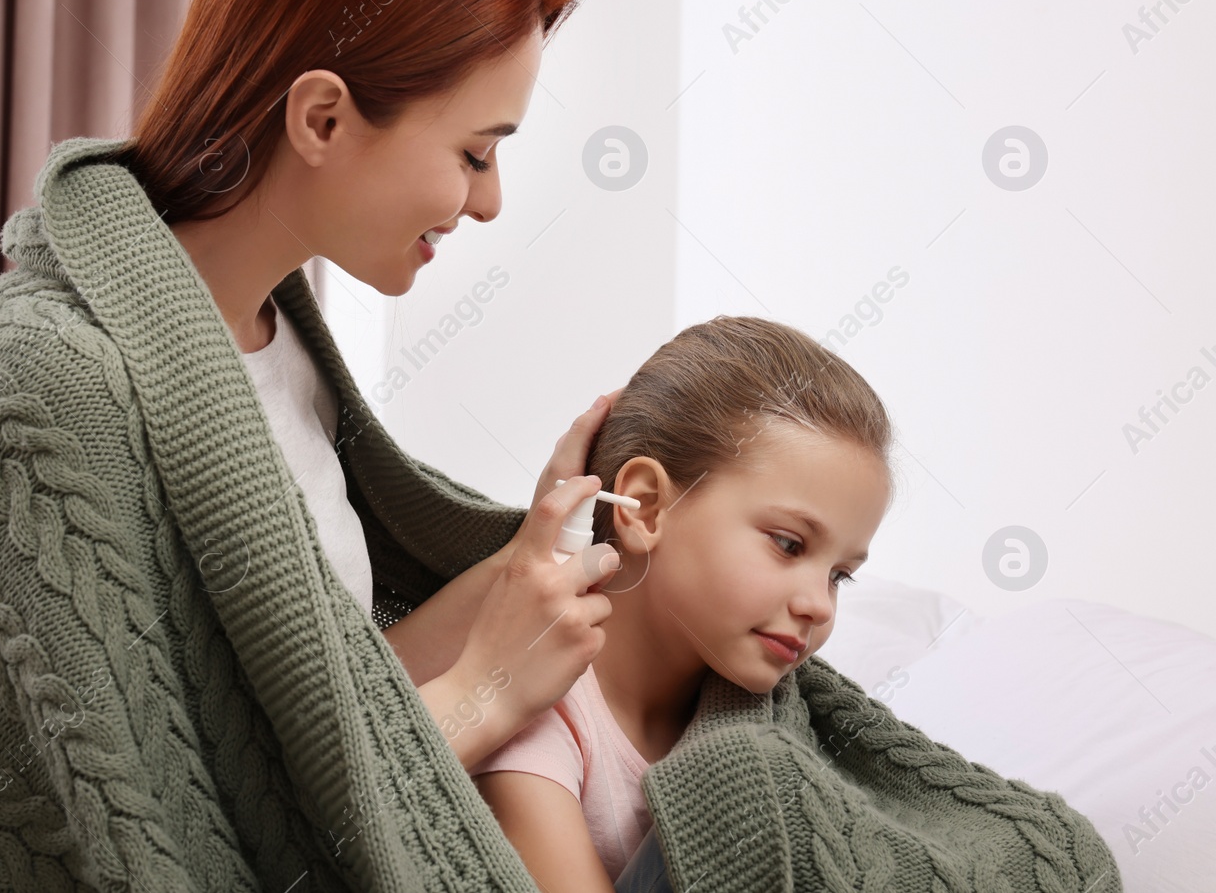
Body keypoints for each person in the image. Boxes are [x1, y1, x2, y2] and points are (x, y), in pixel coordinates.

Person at [0, 0, 634, 892]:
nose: (489, 201)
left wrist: (541, 548)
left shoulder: (280, 345)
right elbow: (191, 837)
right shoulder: (43, 383)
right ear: (321, 118)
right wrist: (489, 691)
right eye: (475, 150)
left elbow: (309, 723)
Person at [471, 316, 1123, 893]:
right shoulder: (540, 710)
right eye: (788, 544)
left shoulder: (755, 709)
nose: (818, 604)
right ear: (645, 506)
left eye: (841, 573)